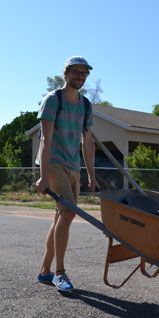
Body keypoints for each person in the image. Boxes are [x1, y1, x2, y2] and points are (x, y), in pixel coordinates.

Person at [35, 56, 100, 291]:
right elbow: (45, 140)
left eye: (83, 74)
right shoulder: (53, 100)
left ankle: (44, 271)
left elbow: (88, 142)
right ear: (65, 74)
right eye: (75, 72)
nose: (79, 77)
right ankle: (60, 273)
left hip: (74, 166)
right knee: (69, 212)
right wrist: (43, 176)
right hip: (52, 163)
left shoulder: (85, 105)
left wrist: (91, 176)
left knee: (61, 216)